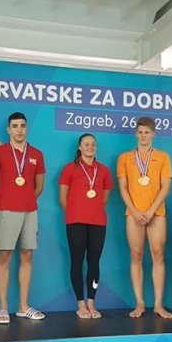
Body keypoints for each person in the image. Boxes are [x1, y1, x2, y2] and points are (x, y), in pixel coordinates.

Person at [0, 112, 46, 324]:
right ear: (8, 130)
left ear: (27, 128)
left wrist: (26, 200)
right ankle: (3, 308)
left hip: (30, 211)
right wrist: (1, 204)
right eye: (15, 126)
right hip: (7, 211)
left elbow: (39, 185)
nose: (19, 129)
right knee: (5, 256)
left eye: (22, 125)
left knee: (27, 255)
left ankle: (23, 306)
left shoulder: (36, 154)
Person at [117, 116, 172, 319]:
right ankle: (139, 303)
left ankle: (158, 304)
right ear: (135, 134)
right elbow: (123, 188)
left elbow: (166, 186)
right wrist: (134, 211)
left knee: (158, 254)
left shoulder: (163, 156)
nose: (143, 136)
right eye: (140, 132)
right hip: (133, 214)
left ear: (153, 134)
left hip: (156, 213)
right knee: (136, 255)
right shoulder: (125, 158)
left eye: (147, 132)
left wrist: (151, 211)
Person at [59, 133, 113, 319]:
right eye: (86, 144)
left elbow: (104, 198)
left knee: (94, 262)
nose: (90, 147)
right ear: (80, 147)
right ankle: (80, 303)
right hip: (75, 222)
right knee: (76, 261)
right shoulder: (69, 168)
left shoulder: (104, 170)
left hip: (98, 222)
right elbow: (63, 198)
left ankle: (91, 302)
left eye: (93, 144)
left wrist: (93, 210)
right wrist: (76, 213)